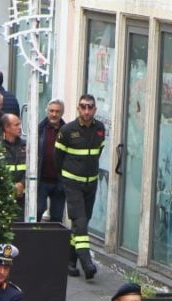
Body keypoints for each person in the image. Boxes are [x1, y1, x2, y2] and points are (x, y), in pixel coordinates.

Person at [56, 93, 105, 279]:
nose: (86, 110)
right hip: (72, 183)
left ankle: (70, 262)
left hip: (91, 184)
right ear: (78, 108)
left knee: (80, 224)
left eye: (90, 107)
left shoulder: (100, 128)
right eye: (83, 106)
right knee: (81, 222)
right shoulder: (67, 130)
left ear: (95, 109)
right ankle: (87, 263)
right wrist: (65, 179)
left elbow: (98, 152)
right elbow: (57, 158)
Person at [37, 99, 66, 222]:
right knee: (37, 212)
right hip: (42, 179)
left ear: (62, 113)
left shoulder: (67, 131)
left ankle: (54, 241)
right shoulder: (39, 129)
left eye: (57, 111)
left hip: (59, 181)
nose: (54, 114)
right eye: (51, 111)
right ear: (47, 112)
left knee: (57, 217)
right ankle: (35, 240)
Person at [0, 113, 26, 221]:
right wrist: (11, 187)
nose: (20, 127)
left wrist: (22, 184)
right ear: (6, 128)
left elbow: (33, 170)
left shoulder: (26, 146)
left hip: (23, 198)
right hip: (3, 198)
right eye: (16, 125)